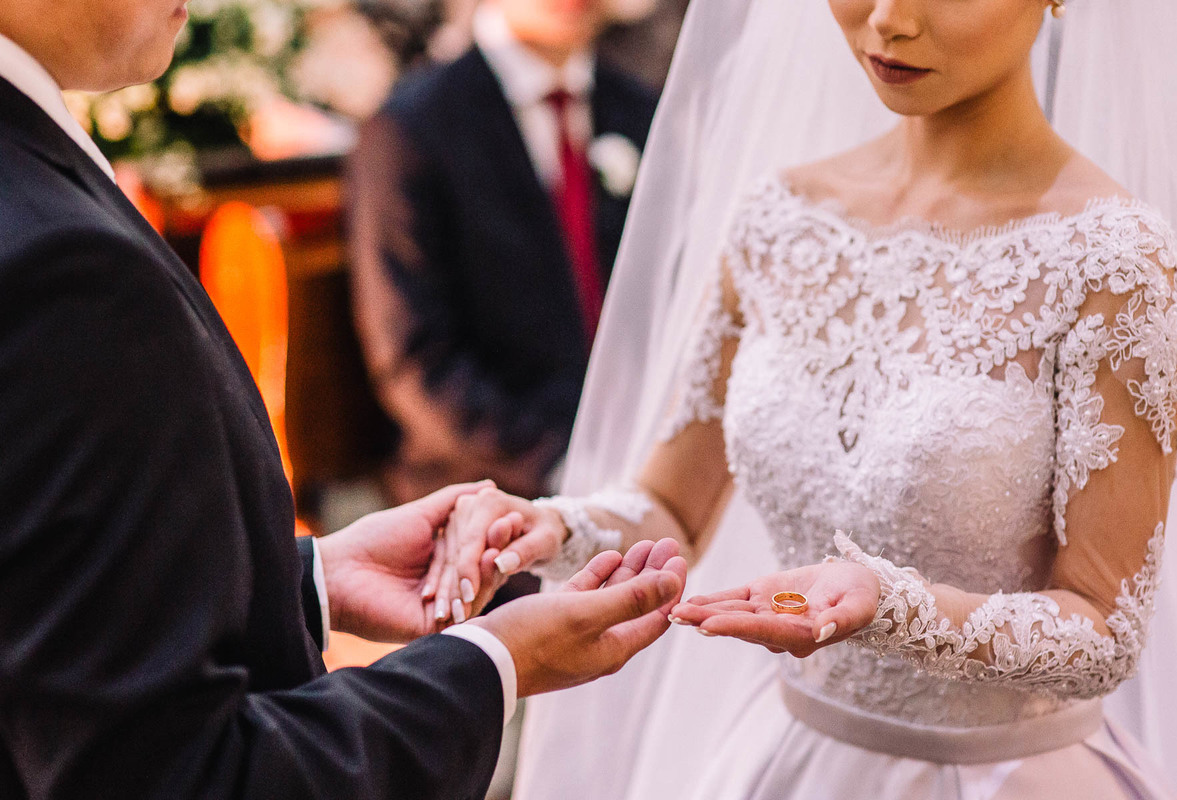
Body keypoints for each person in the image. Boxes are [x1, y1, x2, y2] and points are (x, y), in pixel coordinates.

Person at [430, 0, 1177, 797]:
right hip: (789, 759)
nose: (888, 20)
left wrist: (892, 606)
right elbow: (672, 509)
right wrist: (547, 526)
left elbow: (1103, 627)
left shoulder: (1114, 263)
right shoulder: (779, 218)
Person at [0, 2, 689, 798]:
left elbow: (47, 612)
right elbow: (170, 774)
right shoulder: (66, 266)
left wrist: (308, 581)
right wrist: (495, 661)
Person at [347, 0, 658, 503]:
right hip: (487, 494)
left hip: (648, 472)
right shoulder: (411, 129)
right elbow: (412, 357)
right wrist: (565, 467)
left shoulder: (645, 114)